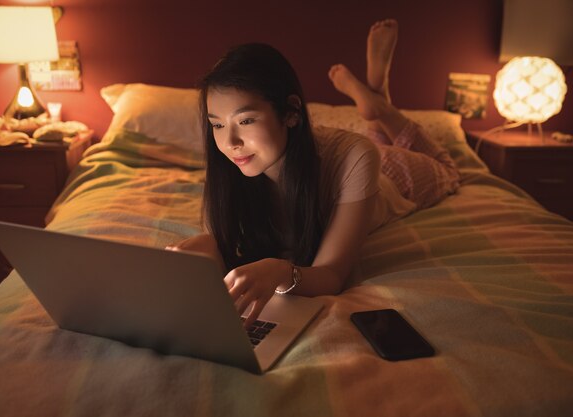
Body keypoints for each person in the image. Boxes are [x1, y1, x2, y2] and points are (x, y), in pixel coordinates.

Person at [168, 19, 459, 326]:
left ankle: (381, 109)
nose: (230, 143)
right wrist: (212, 249)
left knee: (447, 169)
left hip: (390, 177)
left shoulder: (355, 157)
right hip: (342, 159)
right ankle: (376, 97)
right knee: (375, 139)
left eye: (246, 121)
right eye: (217, 124)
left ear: (291, 113)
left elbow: (332, 274)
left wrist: (283, 272)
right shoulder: (230, 168)